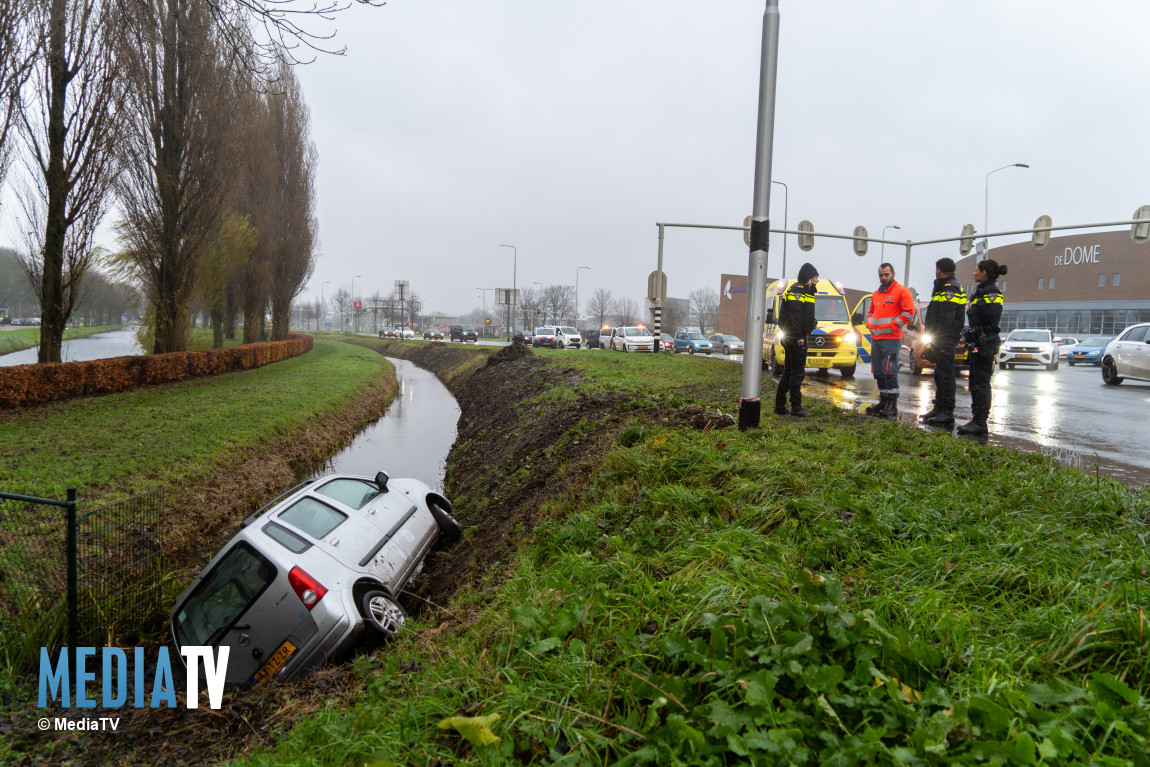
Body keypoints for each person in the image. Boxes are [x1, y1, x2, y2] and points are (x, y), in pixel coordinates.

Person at [957, 259, 1008, 439]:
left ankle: (980, 422)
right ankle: (976, 420)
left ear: (984, 272)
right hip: (979, 340)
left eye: (976, 270)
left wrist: (972, 311)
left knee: (981, 383)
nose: (973, 273)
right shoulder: (982, 290)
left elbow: (991, 315)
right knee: (974, 382)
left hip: (986, 341)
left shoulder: (992, 291)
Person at [919, 257, 967, 429]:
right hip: (940, 339)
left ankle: (946, 412)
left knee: (946, 376)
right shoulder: (942, 285)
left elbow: (946, 318)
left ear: (939, 269)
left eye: (936, 269)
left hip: (945, 339)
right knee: (940, 375)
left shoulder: (950, 287)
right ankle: (939, 408)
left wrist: (940, 340)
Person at [863, 263, 914, 418]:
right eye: (881, 275)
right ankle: (884, 402)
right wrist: (870, 324)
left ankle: (892, 406)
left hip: (891, 339)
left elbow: (908, 313)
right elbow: (871, 312)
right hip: (876, 339)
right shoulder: (876, 294)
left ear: (893, 274)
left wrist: (891, 326)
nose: (883, 278)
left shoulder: (902, 291)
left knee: (890, 371)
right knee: (879, 372)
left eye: (886, 274)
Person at [774, 263, 819, 417]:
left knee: (788, 372)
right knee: (796, 374)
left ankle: (780, 406)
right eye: (815, 277)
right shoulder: (799, 291)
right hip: (797, 339)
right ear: (809, 277)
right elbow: (795, 317)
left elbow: (798, 316)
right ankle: (796, 408)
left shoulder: (801, 291)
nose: (817, 281)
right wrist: (799, 337)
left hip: (793, 337)